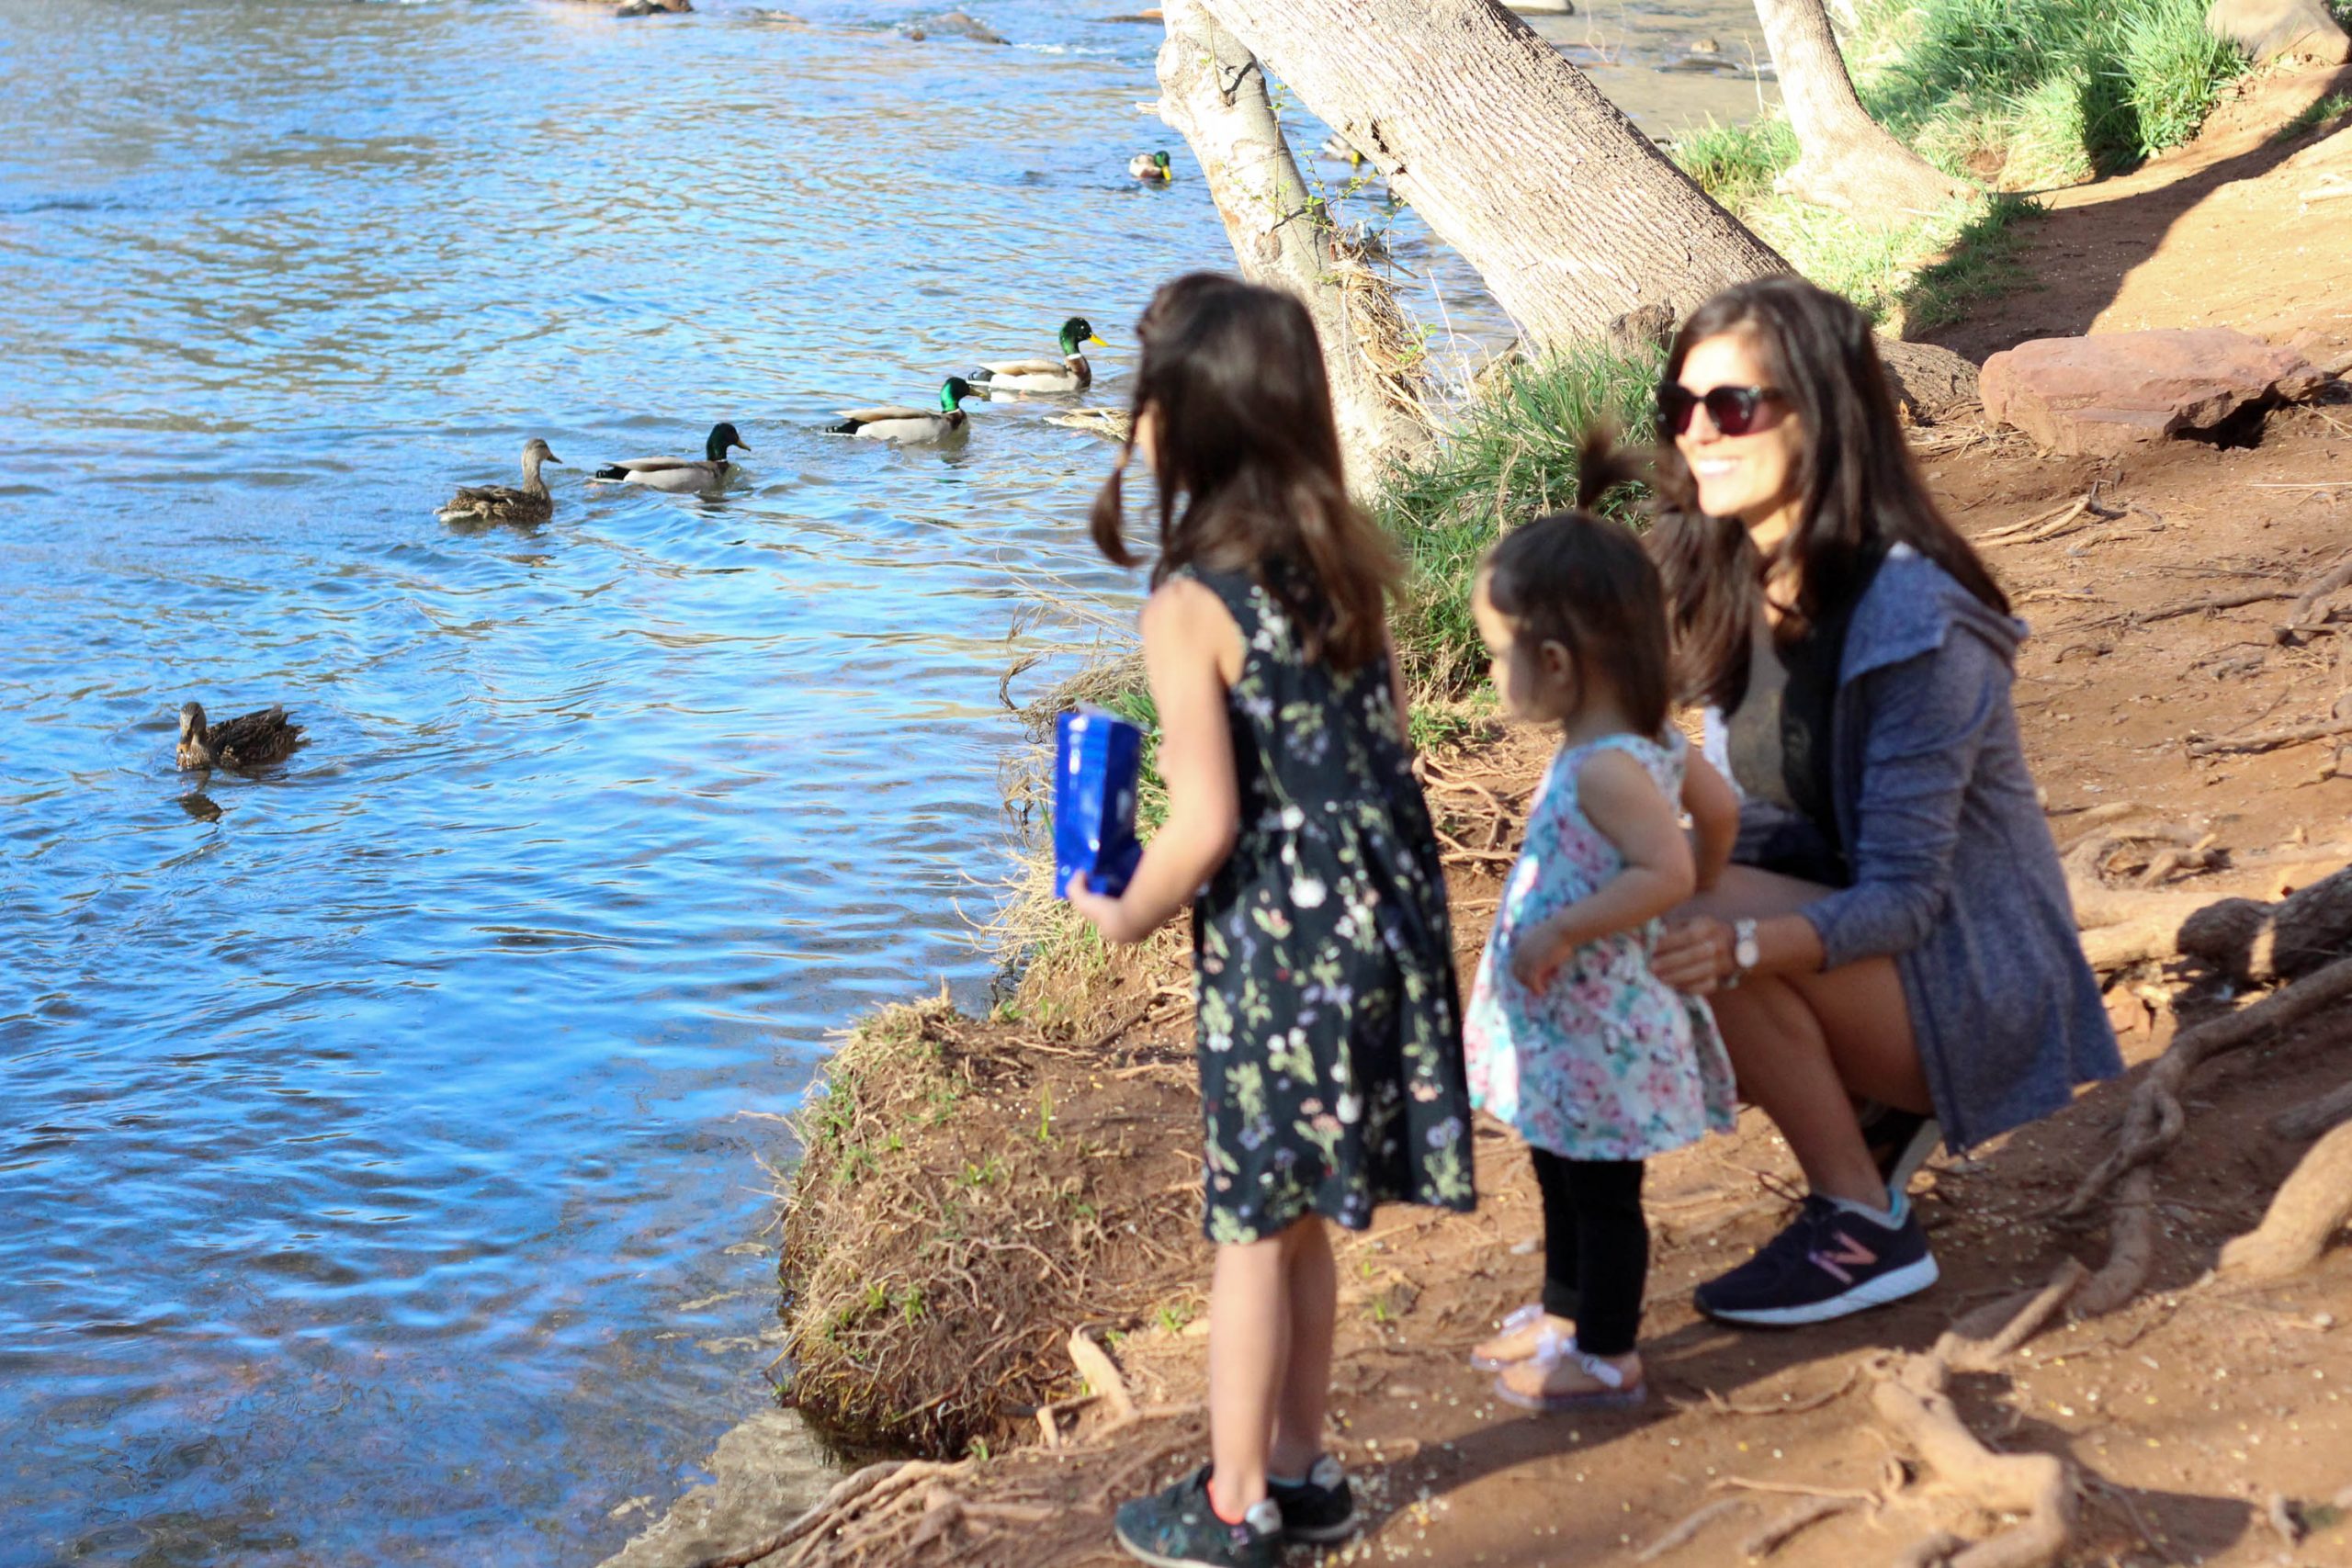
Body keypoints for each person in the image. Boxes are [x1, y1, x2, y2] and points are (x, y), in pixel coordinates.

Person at [1066, 273, 1473, 1568]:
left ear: (1185, 422)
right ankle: (1304, 1470)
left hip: (1281, 954)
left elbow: (1208, 822)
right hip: (1384, 934)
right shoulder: (1346, 560)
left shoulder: (1191, 600)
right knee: (1301, 1220)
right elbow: (1385, 751)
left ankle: (1236, 1499)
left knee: (1250, 1229)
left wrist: (1119, 907)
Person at [1643, 276, 2121, 1327]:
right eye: (1678, 408)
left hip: (1968, 981)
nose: (1697, 435)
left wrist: (1735, 956)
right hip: (1872, 953)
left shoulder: (1916, 617)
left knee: (1684, 920)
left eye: (1731, 408)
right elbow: (1755, 826)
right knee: (1637, 889)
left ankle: (1860, 1224)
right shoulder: (1742, 586)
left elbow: (1905, 900)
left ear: (1824, 412)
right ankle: (1853, 1111)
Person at [1459, 436, 1743, 1410]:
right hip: (1572, 1024)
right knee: (1560, 1166)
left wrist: (1574, 928)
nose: (1493, 675)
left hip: (1599, 1020)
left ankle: (1608, 1353)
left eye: (1496, 658)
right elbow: (1719, 816)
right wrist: (1697, 883)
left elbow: (1662, 862)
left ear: (1552, 661)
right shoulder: (1644, 740)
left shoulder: (1609, 766)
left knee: (1602, 1192)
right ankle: (1563, 1315)